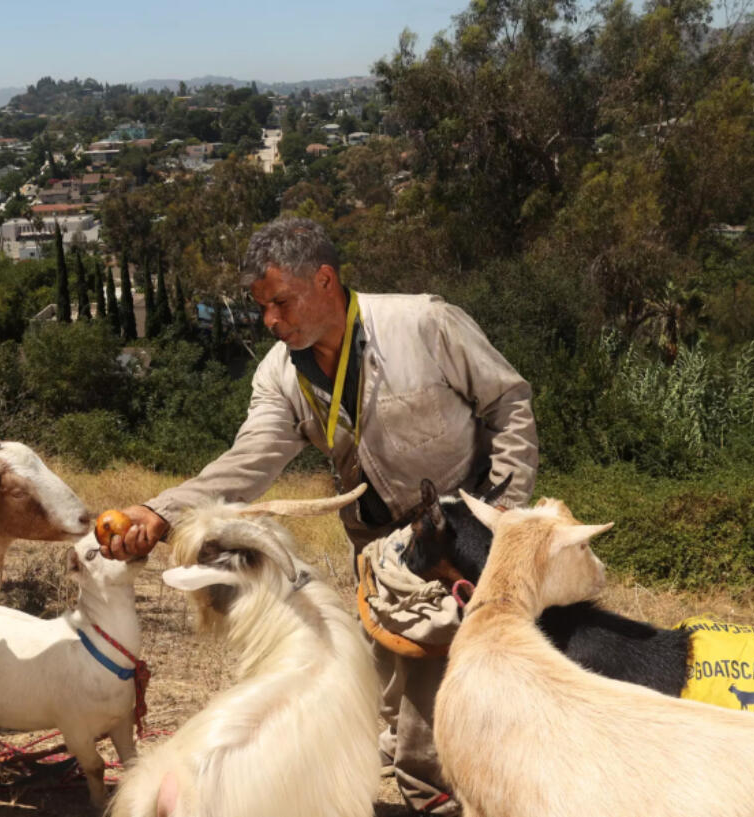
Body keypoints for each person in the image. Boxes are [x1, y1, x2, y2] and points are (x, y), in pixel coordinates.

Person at [101, 216, 538, 814]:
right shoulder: (280, 375)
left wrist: (502, 514)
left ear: (326, 280)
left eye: (280, 302)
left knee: (429, 721)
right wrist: (159, 511)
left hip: (465, 545)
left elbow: (508, 401)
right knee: (379, 700)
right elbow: (248, 462)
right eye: (262, 308)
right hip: (380, 558)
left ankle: (437, 797)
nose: (271, 322)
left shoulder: (424, 323)